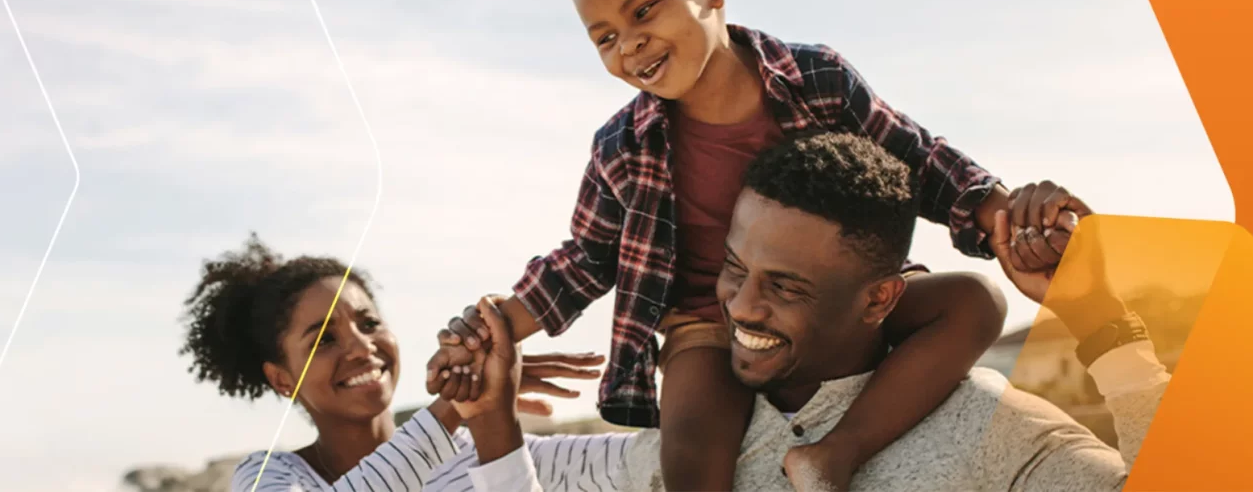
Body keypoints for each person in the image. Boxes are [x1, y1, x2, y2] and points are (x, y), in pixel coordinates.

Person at [433, 0, 1083, 491]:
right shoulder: (620, 147)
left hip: (833, 298)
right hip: (707, 322)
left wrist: (999, 209)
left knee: (976, 301)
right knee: (689, 443)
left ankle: (836, 452)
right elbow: (587, 258)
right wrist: (498, 325)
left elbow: (917, 157)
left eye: (644, 9)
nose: (628, 43)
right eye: (603, 35)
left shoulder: (817, 80)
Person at [439, 132, 1168, 491]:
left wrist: (1100, 318)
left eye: (785, 286)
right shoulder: (700, 447)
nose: (741, 306)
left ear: (881, 297)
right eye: (733, 268)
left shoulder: (988, 428)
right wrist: (494, 421)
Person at [177, 236, 636, 492]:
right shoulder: (269, 477)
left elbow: (668, 462)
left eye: (369, 321)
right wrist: (457, 404)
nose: (361, 347)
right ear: (281, 379)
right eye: (324, 340)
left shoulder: (480, 451)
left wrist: (494, 419)